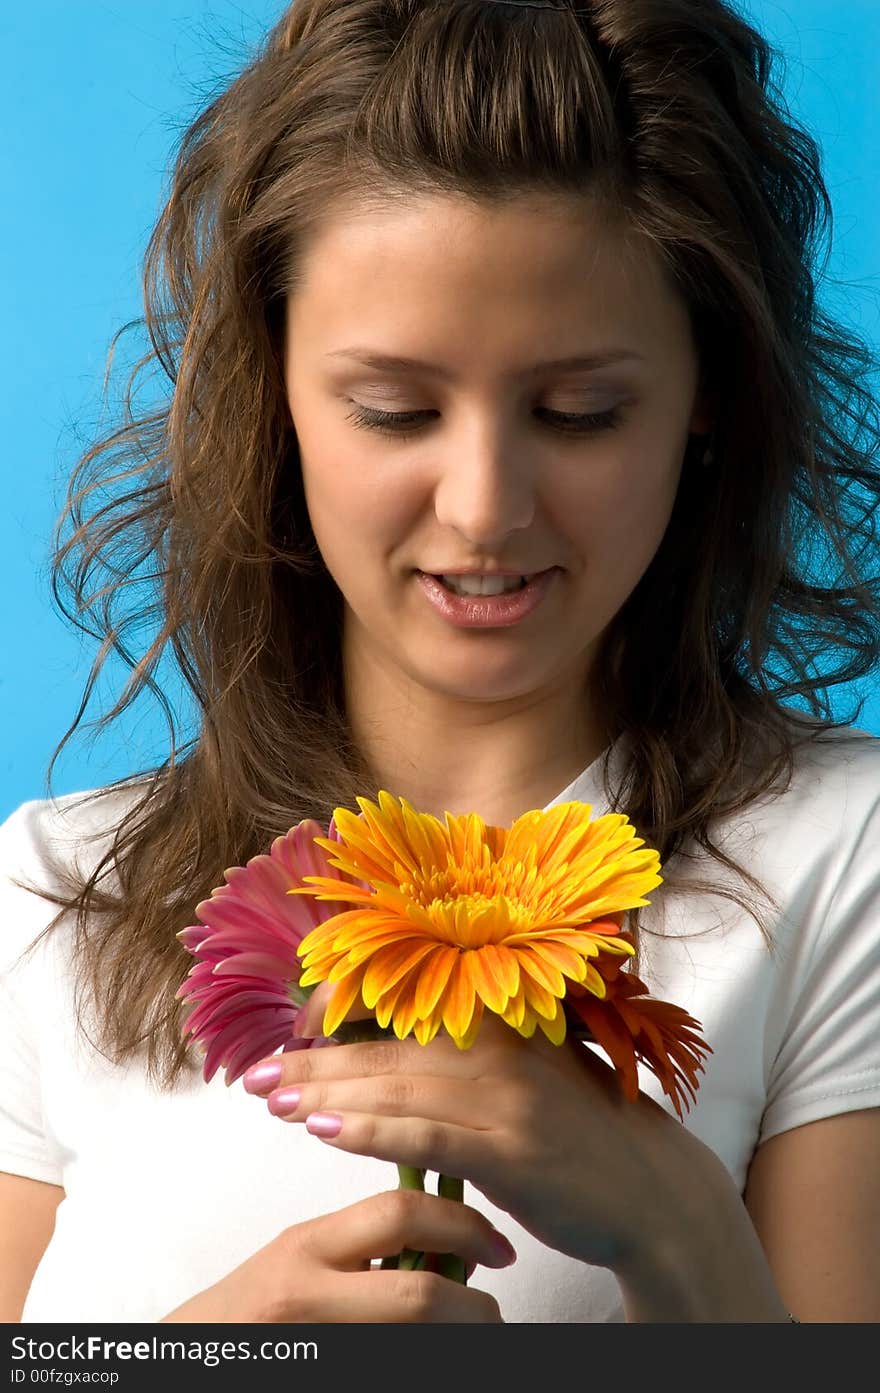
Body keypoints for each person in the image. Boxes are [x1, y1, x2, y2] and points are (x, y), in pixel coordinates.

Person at [2, 0, 879, 1325]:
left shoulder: (843, 855)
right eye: (395, 409)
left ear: (708, 400)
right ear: (276, 394)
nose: (483, 505)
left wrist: (670, 1218)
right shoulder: (56, 892)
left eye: (580, 412)